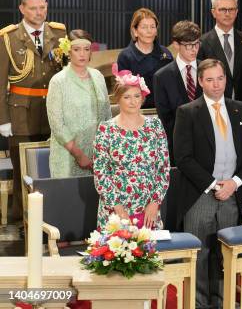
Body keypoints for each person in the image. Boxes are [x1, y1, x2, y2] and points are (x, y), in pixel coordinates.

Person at [174, 59, 242, 309]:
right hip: (200, 195)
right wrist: (213, 185)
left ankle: (222, 303)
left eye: (220, 78)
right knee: (199, 256)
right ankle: (199, 304)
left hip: (232, 195)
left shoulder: (240, 109)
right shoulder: (187, 112)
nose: (216, 84)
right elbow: (183, 158)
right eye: (209, 79)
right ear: (200, 82)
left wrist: (234, 183)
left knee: (225, 255)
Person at [0, 0, 66, 218]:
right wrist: (3, 119)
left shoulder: (58, 33)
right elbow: (0, 82)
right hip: (20, 113)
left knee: (52, 166)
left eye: (42, 7)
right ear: (22, 9)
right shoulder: (8, 38)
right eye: (33, 8)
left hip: (51, 112)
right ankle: (22, 219)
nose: (39, 13)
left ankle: (51, 215)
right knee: (22, 168)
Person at [93, 65, 170, 230]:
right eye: (127, 97)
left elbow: (163, 169)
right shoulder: (106, 129)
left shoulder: (155, 125)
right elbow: (101, 174)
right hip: (115, 212)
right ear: (118, 99)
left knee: (149, 255)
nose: (133, 101)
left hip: (149, 210)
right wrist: (118, 208)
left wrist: (155, 202)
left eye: (137, 96)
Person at [47, 29, 111, 177]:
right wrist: (79, 154)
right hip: (67, 155)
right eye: (77, 49)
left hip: (98, 154)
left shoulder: (98, 76)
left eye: (86, 49)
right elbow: (57, 124)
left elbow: (107, 115)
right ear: (68, 51)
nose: (82, 54)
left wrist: (104, 150)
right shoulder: (58, 81)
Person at [154, 20, 203, 164]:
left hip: (208, 144)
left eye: (197, 44)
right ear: (176, 45)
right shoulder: (162, 76)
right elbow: (165, 118)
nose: (194, 49)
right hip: (178, 147)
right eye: (188, 45)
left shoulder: (208, 70)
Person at [197, 0, 242, 106]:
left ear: (237, 12)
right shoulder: (202, 42)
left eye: (231, 9)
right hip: (212, 107)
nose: (227, 13)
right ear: (213, 12)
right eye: (223, 9)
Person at [117, 8, 173, 108]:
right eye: (144, 27)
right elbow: (123, 91)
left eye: (152, 27)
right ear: (135, 31)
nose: (149, 31)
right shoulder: (125, 56)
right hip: (136, 110)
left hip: (164, 110)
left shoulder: (165, 54)